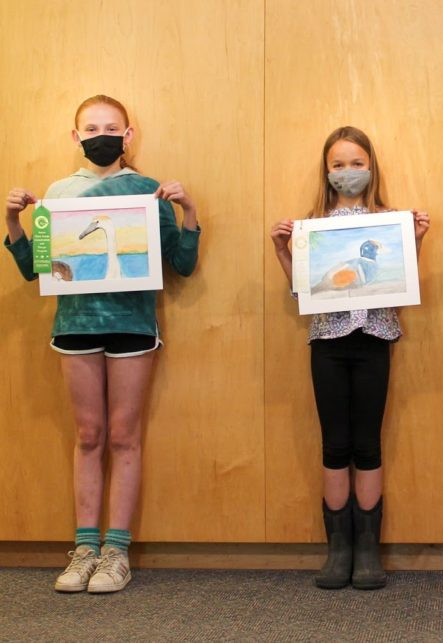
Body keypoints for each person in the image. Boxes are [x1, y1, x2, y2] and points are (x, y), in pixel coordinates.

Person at [4, 95, 201, 593]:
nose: (100, 135)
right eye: (90, 127)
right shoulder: (58, 193)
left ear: (128, 134)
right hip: (74, 327)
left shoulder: (146, 192)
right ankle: (83, 550)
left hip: (133, 327)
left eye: (111, 127)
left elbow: (181, 264)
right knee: (88, 435)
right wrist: (13, 224)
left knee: (123, 436)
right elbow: (35, 270)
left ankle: (116, 552)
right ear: (76, 137)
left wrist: (189, 210)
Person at [270, 126, 429, 590]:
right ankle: (338, 548)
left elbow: (401, 285)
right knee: (335, 444)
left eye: (356, 163)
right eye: (338, 164)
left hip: (374, 339)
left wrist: (414, 239)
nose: (347, 172)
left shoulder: (389, 220)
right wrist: (282, 249)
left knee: (368, 444)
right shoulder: (311, 226)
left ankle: (367, 549)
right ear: (326, 169)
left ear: (371, 166)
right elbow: (303, 289)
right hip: (328, 344)